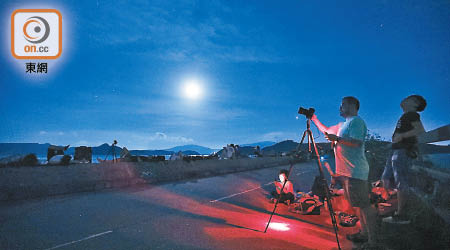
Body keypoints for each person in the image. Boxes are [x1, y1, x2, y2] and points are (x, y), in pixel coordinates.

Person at [311, 96, 378, 246]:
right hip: (349, 173)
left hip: (356, 171)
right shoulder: (344, 125)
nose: (339, 108)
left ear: (352, 105)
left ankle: (373, 242)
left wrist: (338, 139)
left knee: (365, 207)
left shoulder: (356, 122)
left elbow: (357, 142)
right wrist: (314, 119)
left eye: (342, 105)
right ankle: (364, 234)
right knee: (359, 206)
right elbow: (326, 131)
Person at [381, 95, 426, 224]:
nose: (405, 99)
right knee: (386, 177)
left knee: (401, 180)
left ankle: (402, 215)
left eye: (409, 99)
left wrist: (402, 136)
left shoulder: (412, 115)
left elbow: (420, 130)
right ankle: (395, 204)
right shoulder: (405, 116)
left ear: (415, 104)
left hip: (402, 151)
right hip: (395, 150)